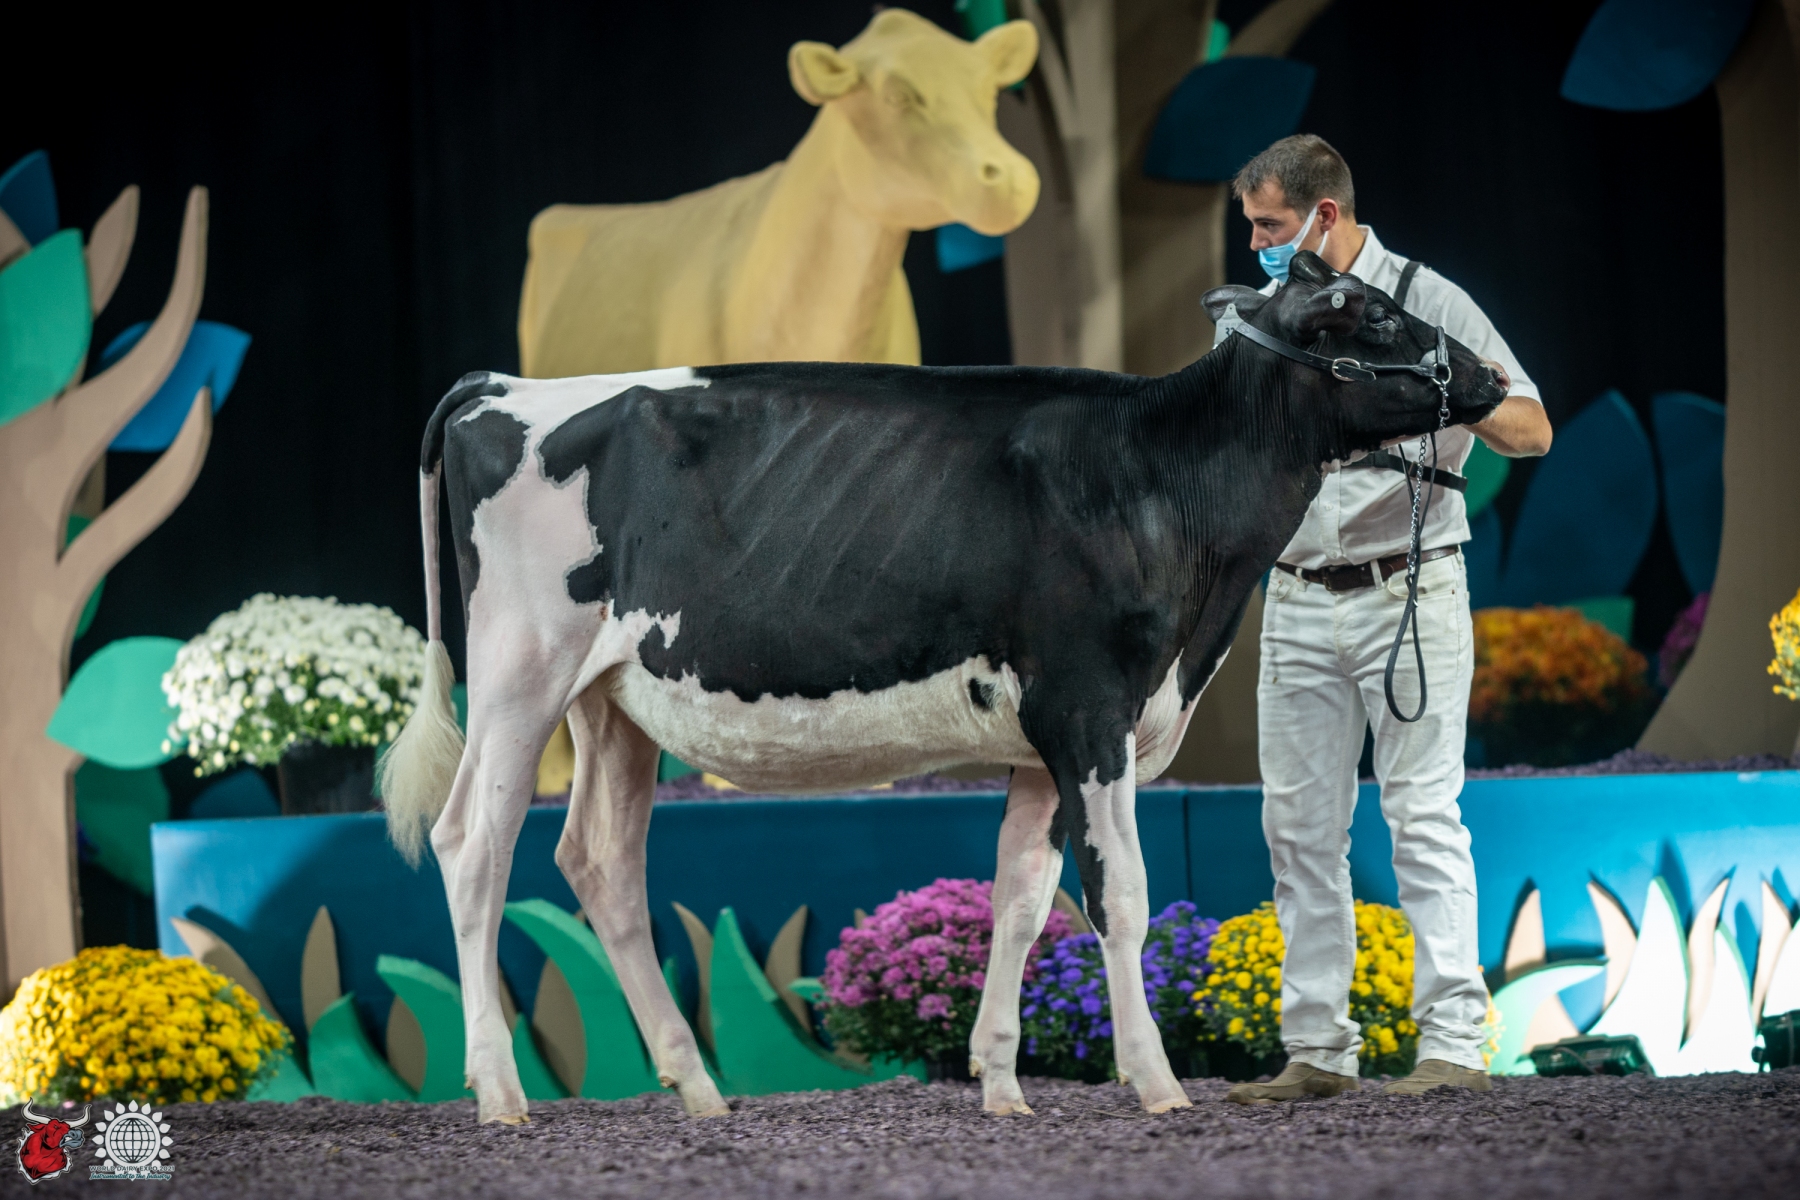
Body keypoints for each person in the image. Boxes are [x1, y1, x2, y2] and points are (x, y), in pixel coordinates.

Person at [1216, 135, 1552, 1103]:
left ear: (1324, 215)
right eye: (1252, 227)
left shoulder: (1429, 298)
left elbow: (1530, 430)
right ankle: (1318, 1051)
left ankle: (1453, 1047)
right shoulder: (1256, 317)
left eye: (1271, 226)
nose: (1258, 245)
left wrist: (1444, 377)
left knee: (1422, 817)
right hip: (1296, 598)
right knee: (1297, 829)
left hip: (1408, 590)